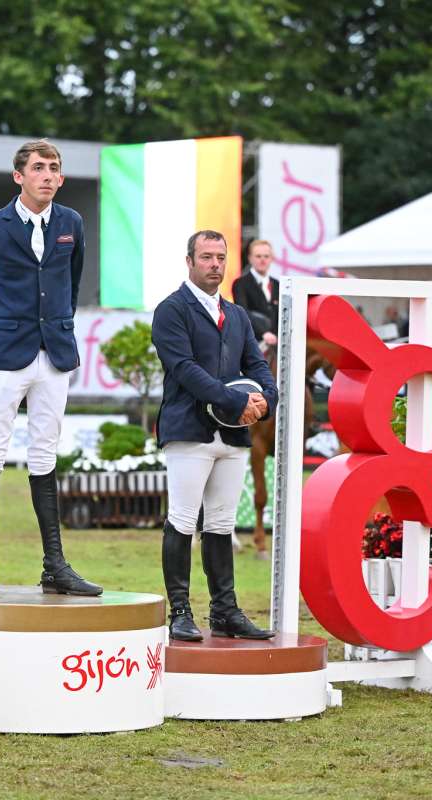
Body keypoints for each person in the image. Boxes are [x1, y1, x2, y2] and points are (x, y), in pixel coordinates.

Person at [0, 139, 102, 599]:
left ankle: (55, 565)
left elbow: (73, 280)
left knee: (45, 453)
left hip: (55, 353)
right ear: (18, 176)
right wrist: (0, 334)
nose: (47, 174)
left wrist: (57, 326)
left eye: (54, 168)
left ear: (61, 178)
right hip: (6, 352)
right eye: (38, 167)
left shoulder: (71, 223)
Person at [152, 230, 278, 641]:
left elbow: (256, 364)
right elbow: (185, 368)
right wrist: (232, 400)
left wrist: (267, 398)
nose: (215, 264)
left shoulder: (237, 315)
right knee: (184, 519)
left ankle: (224, 611)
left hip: (234, 434)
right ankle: (181, 611)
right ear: (189, 261)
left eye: (221, 257)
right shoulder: (171, 310)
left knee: (223, 523)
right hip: (190, 429)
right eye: (206, 257)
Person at [231, 239, 280, 346]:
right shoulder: (240, 284)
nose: (262, 260)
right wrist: (263, 333)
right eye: (258, 256)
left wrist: (276, 336)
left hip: (276, 345)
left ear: (272, 259)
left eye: (266, 256)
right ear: (250, 258)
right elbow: (243, 312)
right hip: (251, 343)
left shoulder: (278, 285)